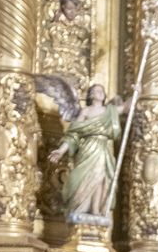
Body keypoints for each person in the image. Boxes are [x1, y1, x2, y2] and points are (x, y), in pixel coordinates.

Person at [48, 82, 121, 223]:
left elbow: (126, 107)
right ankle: (80, 207)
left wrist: (137, 92)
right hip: (87, 149)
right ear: (91, 95)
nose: (100, 92)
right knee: (83, 178)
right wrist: (61, 150)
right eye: (97, 90)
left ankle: (95, 209)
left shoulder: (110, 111)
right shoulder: (86, 111)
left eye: (102, 90)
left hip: (102, 148)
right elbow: (73, 134)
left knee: (100, 177)